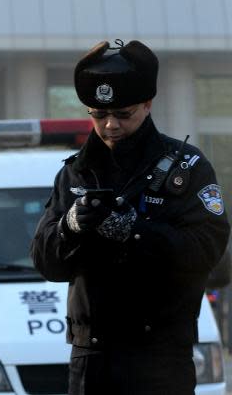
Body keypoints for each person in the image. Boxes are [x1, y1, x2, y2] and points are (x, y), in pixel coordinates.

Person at [31, 40, 230, 395]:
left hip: (160, 357)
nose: (110, 126)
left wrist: (135, 232)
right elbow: (47, 263)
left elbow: (211, 256)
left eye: (123, 114)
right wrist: (70, 227)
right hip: (91, 357)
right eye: (97, 114)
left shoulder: (187, 168)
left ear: (147, 104)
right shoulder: (75, 172)